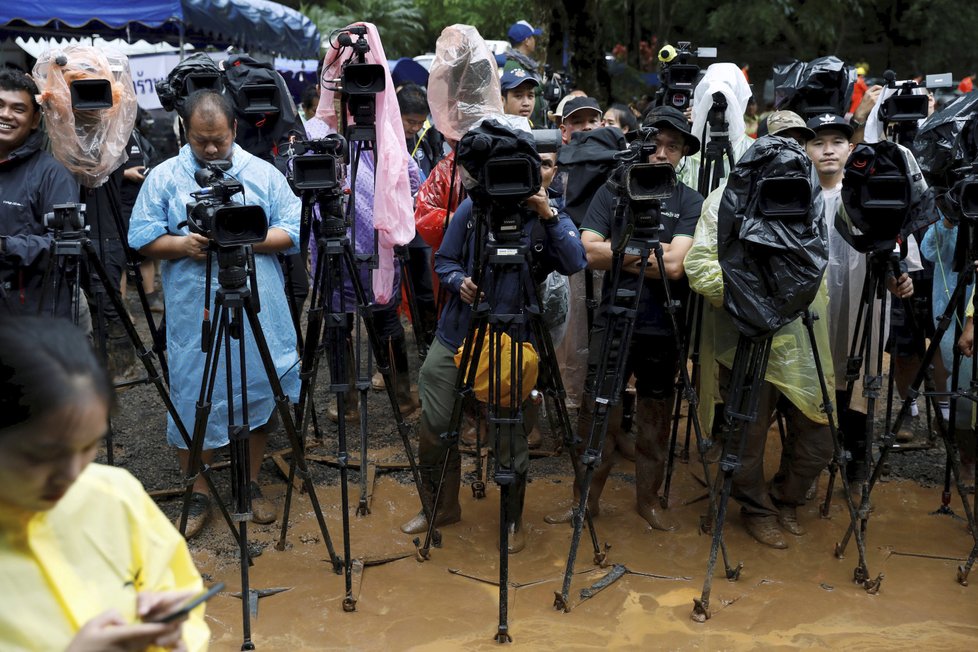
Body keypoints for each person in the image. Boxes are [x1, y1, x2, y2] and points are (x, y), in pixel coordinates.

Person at [400, 135, 587, 553]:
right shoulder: (474, 207)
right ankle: (439, 509)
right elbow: (444, 260)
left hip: (515, 339)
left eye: (542, 165)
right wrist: (456, 281)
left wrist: (548, 213)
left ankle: (512, 521)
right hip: (458, 333)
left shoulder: (547, 212)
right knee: (434, 425)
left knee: (508, 436)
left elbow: (576, 262)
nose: (532, 174)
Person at [129, 90, 301, 538]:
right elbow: (142, 237)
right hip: (194, 306)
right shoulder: (165, 177)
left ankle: (251, 480)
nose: (209, 149)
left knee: (261, 385)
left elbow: (294, 229)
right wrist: (182, 244)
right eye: (201, 140)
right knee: (193, 392)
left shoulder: (262, 173)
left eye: (218, 141)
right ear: (185, 131)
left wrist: (244, 237)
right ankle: (199, 489)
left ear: (234, 132)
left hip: (258, 303)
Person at [0, 316, 209, 651]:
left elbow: (182, 592)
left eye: (88, 447)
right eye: (42, 456)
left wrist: (174, 636)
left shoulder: (115, 494)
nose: (71, 474)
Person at [546, 106, 703, 531]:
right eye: (657, 143)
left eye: (673, 146)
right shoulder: (614, 190)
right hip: (614, 319)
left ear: (683, 153)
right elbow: (586, 252)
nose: (661, 153)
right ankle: (585, 502)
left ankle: (648, 501)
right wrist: (648, 255)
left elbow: (676, 267)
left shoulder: (690, 200)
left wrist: (620, 254)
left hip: (662, 325)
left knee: (655, 417)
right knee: (598, 415)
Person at [685, 112, 836, 549]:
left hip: (802, 341)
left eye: (797, 141)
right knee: (744, 439)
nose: (789, 149)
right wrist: (752, 303)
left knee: (819, 436)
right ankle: (757, 510)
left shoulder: (809, 199)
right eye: (781, 140)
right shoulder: (723, 199)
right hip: (745, 341)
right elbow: (700, 265)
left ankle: (787, 498)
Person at [0, 68, 79, 319]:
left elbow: (68, 247)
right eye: (0, 105)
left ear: (35, 120)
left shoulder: (52, 175)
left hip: (32, 318)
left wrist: (5, 246)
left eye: (18, 109)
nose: (5, 114)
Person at [503, 20, 547, 126]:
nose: (534, 41)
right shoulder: (513, 64)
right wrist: (543, 85)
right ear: (527, 41)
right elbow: (523, 89)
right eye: (532, 37)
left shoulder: (525, 64)